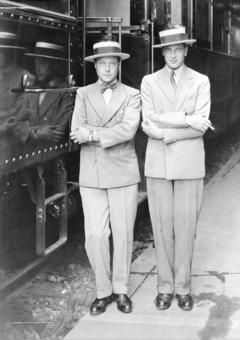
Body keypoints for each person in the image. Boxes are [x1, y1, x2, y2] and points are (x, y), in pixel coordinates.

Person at [141, 26, 211, 311]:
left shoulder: (200, 81)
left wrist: (165, 130)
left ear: (185, 50)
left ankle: (183, 288)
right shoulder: (149, 81)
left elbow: (202, 124)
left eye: (177, 49)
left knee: (186, 227)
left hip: (190, 165)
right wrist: (186, 119)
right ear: (163, 53)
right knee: (161, 228)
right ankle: (165, 287)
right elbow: (148, 120)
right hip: (157, 166)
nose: (172, 54)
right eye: (167, 50)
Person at [70, 41, 140, 315]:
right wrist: (98, 132)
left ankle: (121, 290)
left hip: (123, 173)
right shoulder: (83, 93)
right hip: (92, 174)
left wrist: (94, 134)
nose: (108, 68)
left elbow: (128, 130)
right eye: (103, 63)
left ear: (118, 65)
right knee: (96, 235)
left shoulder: (132, 95)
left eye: (113, 63)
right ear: (95, 66)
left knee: (123, 233)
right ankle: (103, 291)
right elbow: (77, 130)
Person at [13, 41, 71, 204]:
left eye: (43, 63)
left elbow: (58, 131)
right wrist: (39, 132)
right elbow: (16, 126)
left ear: (55, 65)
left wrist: (29, 130)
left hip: (51, 165)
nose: (38, 67)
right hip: (28, 165)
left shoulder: (65, 91)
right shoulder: (31, 89)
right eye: (36, 62)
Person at [0, 31, 29, 164]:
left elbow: (21, 112)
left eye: (1, 52)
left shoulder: (24, 76)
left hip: (11, 137)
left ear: (9, 54)